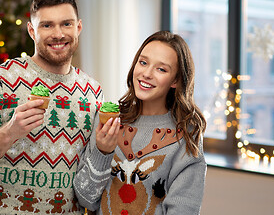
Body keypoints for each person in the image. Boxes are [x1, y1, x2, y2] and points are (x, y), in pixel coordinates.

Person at [0, 0, 104, 214]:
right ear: (32, 31)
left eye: (66, 23)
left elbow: (90, 187)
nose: (59, 34)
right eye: (47, 25)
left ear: (78, 27)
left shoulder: (92, 93)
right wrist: (9, 132)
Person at [73, 31, 207, 214]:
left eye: (161, 69)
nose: (146, 74)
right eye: (143, 62)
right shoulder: (107, 119)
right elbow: (86, 199)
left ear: (175, 80)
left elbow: (183, 209)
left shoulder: (186, 135)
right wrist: (102, 152)